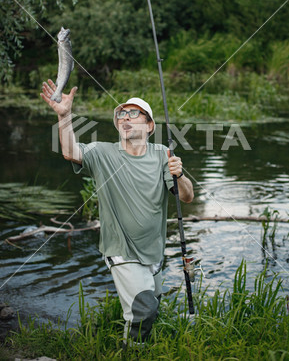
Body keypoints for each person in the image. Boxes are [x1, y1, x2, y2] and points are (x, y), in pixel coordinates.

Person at [40, 79, 194, 347]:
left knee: (151, 307)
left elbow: (187, 196)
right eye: (121, 114)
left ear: (149, 125)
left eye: (134, 113)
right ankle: (131, 352)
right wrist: (64, 116)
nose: (125, 117)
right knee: (143, 310)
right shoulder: (103, 152)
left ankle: (141, 347)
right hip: (120, 248)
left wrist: (179, 175)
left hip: (154, 250)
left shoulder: (162, 154)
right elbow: (70, 152)